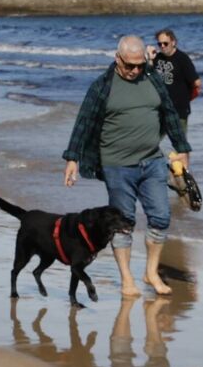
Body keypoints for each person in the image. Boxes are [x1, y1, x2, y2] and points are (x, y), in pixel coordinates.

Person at [62, 35, 192, 298]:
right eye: (129, 65)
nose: (134, 70)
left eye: (139, 65)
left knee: (161, 217)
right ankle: (127, 280)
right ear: (117, 58)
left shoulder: (152, 77)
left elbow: (168, 113)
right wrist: (72, 158)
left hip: (153, 161)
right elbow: (84, 122)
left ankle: (151, 272)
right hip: (117, 166)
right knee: (123, 223)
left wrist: (182, 149)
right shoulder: (102, 86)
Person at [150, 28, 202, 135]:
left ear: (173, 42)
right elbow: (148, 76)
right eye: (160, 44)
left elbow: (197, 83)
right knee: (152, 141)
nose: (162, 46)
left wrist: (187, 97)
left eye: (165, 43)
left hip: (179, 109)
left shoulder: (182, 59)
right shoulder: (157, 58)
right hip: (161, 108)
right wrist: (150, 59)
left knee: (180, 146)